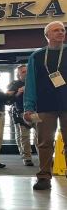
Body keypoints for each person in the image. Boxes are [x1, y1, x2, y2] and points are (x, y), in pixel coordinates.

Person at [24, 20, 67, 191]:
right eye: (56, 30)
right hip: (44, 106)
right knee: (45, 142)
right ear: (47, 35)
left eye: (62, 30)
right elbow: (30, 83)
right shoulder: (37, 56)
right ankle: (44, 177)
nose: (60, 33)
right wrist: (28, 106)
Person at [7, 64, 34, 166]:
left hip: (35, 111)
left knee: (39, 136)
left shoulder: (34, 82)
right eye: (23, 72)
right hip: (21, 112)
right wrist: (18, 92)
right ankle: (27, 157)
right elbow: (8, 100)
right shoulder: (14, 85)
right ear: (18, 75)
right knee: (24, 136)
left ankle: (42, 156)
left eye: (27, 71)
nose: (26, 73)